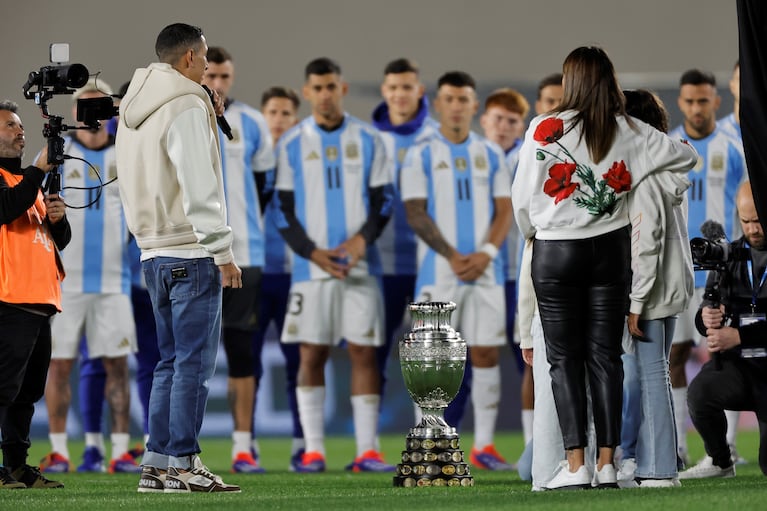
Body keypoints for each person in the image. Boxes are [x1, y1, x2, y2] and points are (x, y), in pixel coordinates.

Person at [512, 46, 698, 490]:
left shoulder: (544, 128)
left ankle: (575, 466)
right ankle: (608, 464)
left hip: (556, 251)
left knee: (563, 360)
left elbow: (522, 200)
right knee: (606, 358)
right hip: (609, 252)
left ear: (570, 81)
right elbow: (685, 157)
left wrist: (533, 233)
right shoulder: (630, 129)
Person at [116, 22, 241, 493]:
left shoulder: (134, 105)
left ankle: (157, 464)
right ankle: (185, 463)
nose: (207, 69)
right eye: (204, 59)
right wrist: (222, 250)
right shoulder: (186, 103)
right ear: (189, 57)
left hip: (151, 252)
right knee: (193, 365)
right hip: (192, 250)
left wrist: (212, 117)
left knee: (168, 362)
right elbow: (200, 183)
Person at [272, 57, 394, 473]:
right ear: (307, 93)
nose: (324, 95)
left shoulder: (370, 139)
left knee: (363, 352)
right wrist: (314, 253)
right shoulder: (291, 143)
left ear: (342, 89)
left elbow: (384, 202)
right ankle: (314, 450)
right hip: (311, 270)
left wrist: (360, 242)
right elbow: (282, 211)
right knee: (312, 353)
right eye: (317, 88)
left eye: (331, 87)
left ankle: (367, 450)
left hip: (361, 265)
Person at [401, 71, 515, 470]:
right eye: (449, 98)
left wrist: (484, 253)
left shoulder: (490, 153)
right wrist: (452, 254)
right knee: (433, 359)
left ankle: (484, 445)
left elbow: (505, 210)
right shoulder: (420, 153)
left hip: (485, 270)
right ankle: (430, 442)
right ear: (438, 104)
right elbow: (415, 212)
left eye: (463, 99)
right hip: (438, 271)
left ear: (473, 105)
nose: (456, 106)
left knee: (485, 351)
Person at [38, 79, 139, 476]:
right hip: (65, 283)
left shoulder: (128, 157)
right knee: (59, 365)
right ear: (76, 112)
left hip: (115, 282)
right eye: (86, 106)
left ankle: (117, 453)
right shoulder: (56, 157)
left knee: (118, 366)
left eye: (102, 107)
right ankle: (59, 450)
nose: (94, 115)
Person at [669, 69, 748, 467]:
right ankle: (678, 448)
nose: (697, 108)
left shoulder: (734, 148)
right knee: (676, 355)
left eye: (703, 100)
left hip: (724, 274)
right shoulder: (667, 148)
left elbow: (746, 206)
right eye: (689, 101)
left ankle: (727, 446)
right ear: (679, 103)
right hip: (679, 271)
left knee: (724, 354)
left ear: (716, 101)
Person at [202, 45, 275, 474]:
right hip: (195, 254)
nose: (217, 84)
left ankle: (243, 446)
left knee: (243, 350)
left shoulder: (252, 122)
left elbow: (262, 184)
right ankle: (180, 447)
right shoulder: (178, 118)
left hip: (246, 252)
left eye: (225, 76)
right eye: (211, 75)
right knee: (190, 354)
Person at [622, 89, 695, 488]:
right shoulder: (669, 174)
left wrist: (635, 299)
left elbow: (645, 245)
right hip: (670, 287)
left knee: (650, 376)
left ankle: (660, 469)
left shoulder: (646, 179)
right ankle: (659, 461)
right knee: (658, 374)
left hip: (649, 291)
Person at [0, 100, 69, 489]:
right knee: (2, 388)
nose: (20, 131)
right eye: (10, 125)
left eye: (20, 125)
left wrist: (59, 221)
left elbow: (55, 240)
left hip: (39, 299)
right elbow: (5, 208)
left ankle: (16, 467)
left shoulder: (29, 184)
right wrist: (37, 172)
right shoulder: (21, 182)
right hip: (8, 296)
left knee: (26, 392)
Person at [679, 181, 767, 479]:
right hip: (740, 367)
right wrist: (707, 318)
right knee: (701, 392)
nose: (753, 229)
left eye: (759, 220)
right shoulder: (729, 255)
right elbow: (705, 318)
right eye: (746, 221)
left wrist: (741, 336)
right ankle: (720, 460)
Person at [370, 58, 438, 420]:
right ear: (385, 91)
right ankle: (368, 446)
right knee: (375, 351)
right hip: (381, 263)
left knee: (427, 353)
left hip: (428, 263)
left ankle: (427, 431)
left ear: (419, 91)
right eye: (393, 87)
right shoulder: (368, 138)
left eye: (406, 87)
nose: (399, 94)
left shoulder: (437, 138)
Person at [479, 87, 531, 448]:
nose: (503, 127)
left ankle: (533, 446)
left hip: (519, 274)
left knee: (527, 359)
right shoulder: (470, 156)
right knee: (477, 355)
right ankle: (481, 444)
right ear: (484, 120)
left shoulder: (530, 158)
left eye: (511, 121)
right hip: (479, 275)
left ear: (521, 126)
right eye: (498, 119)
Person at [256, 85, 305, 470]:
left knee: (297, 363)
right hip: (254, 274)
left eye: (287, 113)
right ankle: (247, 444)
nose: (279, 120)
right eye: (273, 112)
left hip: (292, 274)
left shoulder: (305, 160)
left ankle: (303, 443)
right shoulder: (247, 160)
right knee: (248, 363)